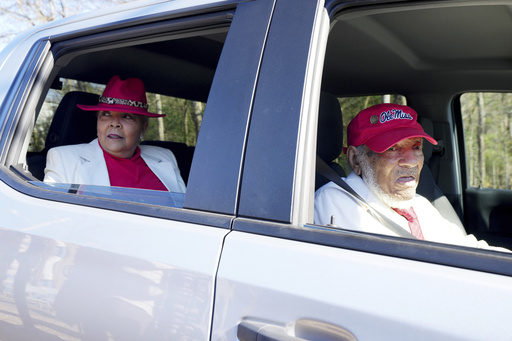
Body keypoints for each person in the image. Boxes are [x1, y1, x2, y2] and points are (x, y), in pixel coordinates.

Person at [314, 103, 506, 250]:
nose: (411, 161)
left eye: (416, 147)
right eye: (392, 148)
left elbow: (467, 249)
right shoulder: (334, 204)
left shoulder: (419, 205)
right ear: (356, 160)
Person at [44, 75, 186, 193]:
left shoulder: (165, 156)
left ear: (143, 128)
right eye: (106, 114)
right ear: (97, 122)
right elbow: (53, 217)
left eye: (127, 116)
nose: (114, 123)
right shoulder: (63, 159)